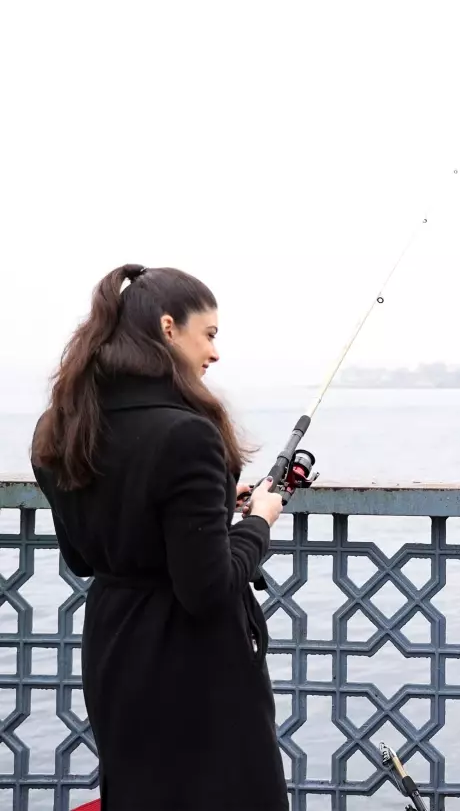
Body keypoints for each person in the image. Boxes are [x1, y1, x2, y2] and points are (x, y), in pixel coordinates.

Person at [29, 264, 289, 810]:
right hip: (195, 667)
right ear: (169, 328)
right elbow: (207, 588)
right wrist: (257, 521)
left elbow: (81, 557)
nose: (215, 353)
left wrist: (209, 509)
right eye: (210, 334)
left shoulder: (61, 427)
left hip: (115, 649)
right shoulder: (186, 433)